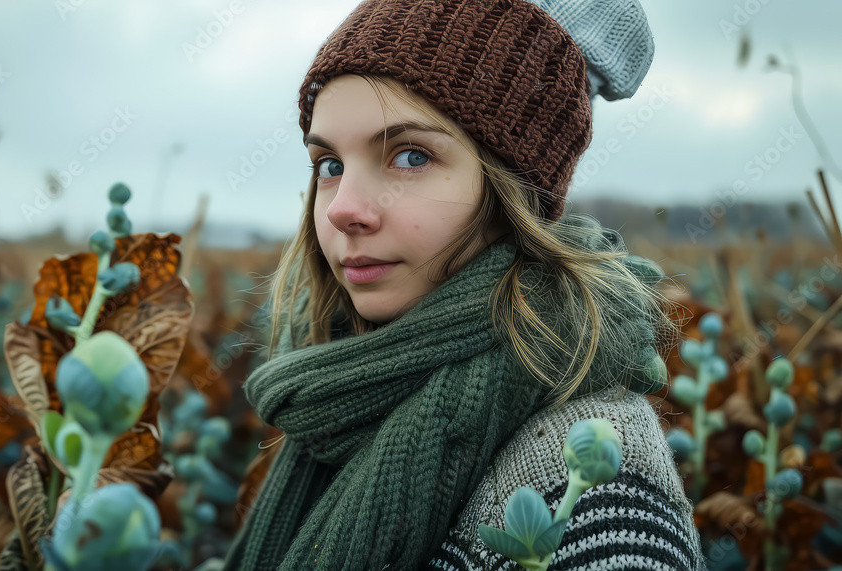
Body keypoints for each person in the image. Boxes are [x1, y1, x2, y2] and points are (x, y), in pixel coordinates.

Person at [219, 0, 706, 569]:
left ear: (512, 193)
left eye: (409, 155)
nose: (343, 209)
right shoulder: (331, 396)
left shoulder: (588, 483)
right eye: (329, 165)